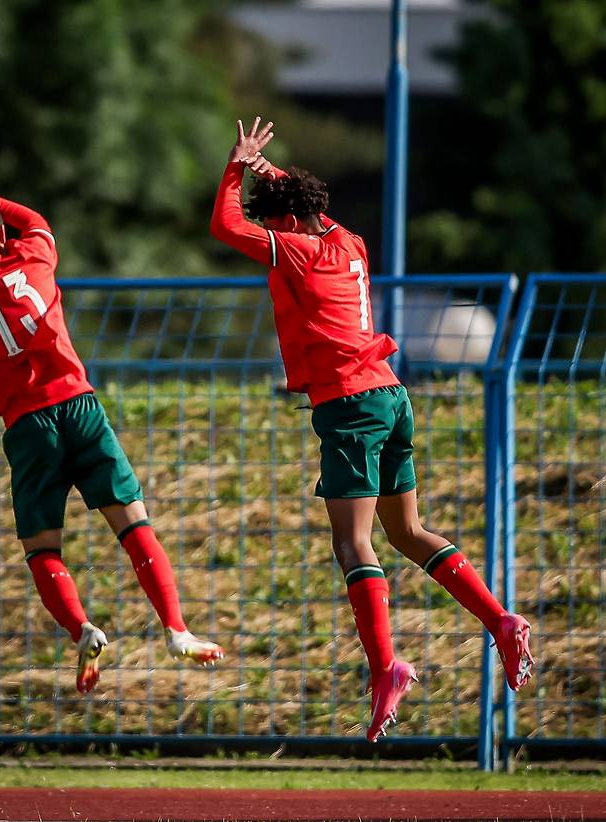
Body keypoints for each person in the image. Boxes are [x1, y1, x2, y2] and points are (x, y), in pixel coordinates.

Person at [210, 117, 534, 742]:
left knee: (353, 543)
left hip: (351, 405)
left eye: (277, 221)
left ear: (292, 224)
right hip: (390, 392)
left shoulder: (297, 249)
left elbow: (226, 226)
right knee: (406, 531)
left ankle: (386, 667)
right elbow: (302, 204)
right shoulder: (349, 241)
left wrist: (234, 166)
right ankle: (499, 620)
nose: (273, 232)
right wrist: (265, 170)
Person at [0, 173, 223, 694]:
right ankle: (177, 630)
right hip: (78, 405)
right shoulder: (35, 255)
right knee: (134, 524)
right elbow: (32, 220)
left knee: (42, 550)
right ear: (0, 233)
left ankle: (82, 629)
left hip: (28, 426)